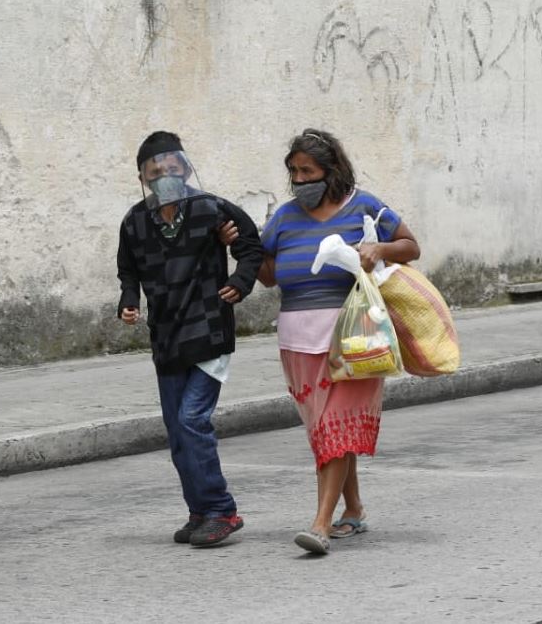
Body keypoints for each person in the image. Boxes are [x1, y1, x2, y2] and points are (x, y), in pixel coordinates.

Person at [257, 128, 420, 554]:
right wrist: (242, 247)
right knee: (326, 432)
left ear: (331, 171)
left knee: (336, 427)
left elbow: (410, 246)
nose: (299, 180)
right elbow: (268, 274)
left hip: (357, 337)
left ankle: (320, 525)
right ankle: (354, 509)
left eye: (308, 171)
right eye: (294, 172)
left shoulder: (364, 206)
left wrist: (379, 249)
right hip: (298, 342)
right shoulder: (284, 218)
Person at [116, 130, 263, 548]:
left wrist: (240, 281)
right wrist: (129, 300)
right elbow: (128, 271)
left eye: (171, 167)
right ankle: (199, 511)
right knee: (177, 431)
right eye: (155, 170)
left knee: (192, 420)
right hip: (166, 339)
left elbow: (251, 246)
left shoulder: (210, 208)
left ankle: (221, 510)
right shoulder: (134, 222)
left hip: (209, 331)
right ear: (143, 177)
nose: (165, 175)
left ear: (184, 168)